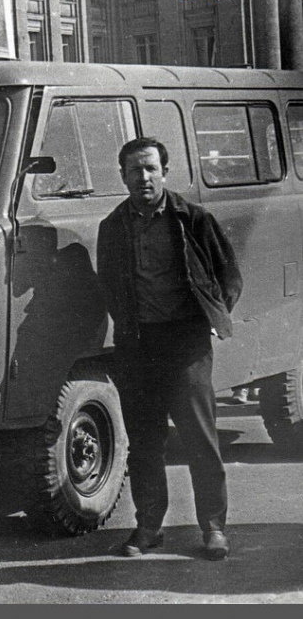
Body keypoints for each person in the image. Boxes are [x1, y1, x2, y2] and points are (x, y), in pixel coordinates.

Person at [96, 137, 243, 561]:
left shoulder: (193, 219)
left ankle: (214, 528)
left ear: (165, 171)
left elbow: (228, 275)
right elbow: (109, 281)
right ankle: (148, 528)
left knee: (200, 439)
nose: (142, 177)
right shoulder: (113, 227)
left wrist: (211, 318)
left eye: (149, 169)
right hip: (138, 346)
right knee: (144, 444)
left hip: (186, 344)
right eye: (133, 171)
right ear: (122, 177)